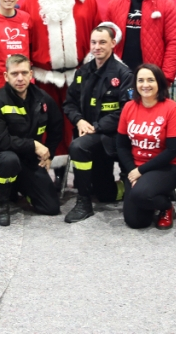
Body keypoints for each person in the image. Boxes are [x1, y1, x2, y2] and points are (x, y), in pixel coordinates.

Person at [21, 0, 100, 189]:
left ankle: (83, 176)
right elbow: (25, 40)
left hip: (79, 77)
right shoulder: (31, 1)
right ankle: (47, 170)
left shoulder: (88, 2)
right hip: (43, 78)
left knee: (79, 125)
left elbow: (97, 38)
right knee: (45, 125)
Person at [63, 24, 134, 223]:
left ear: (113, 43)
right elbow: (69, 104)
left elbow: (127, 111)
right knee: (102, 192)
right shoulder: (83, 73)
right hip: (89, 134)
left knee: (78, 147)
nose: (97, 47)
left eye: (102, 42)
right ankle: (84, 201)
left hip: (112, 137)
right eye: (94, 42)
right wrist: (79, 121)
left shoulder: (124, 75)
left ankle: (124, 185)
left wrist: (96, 126)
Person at [0, 54, 64, 226]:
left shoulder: (42, 98)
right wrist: (34, 144)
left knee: (50, 207)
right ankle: (1, 203)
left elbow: (57, 126)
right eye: (14, 74)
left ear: (31, 74)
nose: (20, 78)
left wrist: (48, 153)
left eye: (24, 73)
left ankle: (14, 187)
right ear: (6, 76)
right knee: (9, 160)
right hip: (4, 158)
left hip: (30, 160)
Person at [117, 63, 176, 230]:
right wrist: (133, 171)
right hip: (136, 167)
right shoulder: (129, 107)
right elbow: (122, 145)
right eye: (140, 80)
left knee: (141, 194)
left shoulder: (172, 108)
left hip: (166, 167)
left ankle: (166, 206)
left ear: (159, 83)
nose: (145, 85)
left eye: (150, 80)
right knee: (135, 222)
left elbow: (172, 150)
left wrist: (140, 172)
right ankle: (152, 193)